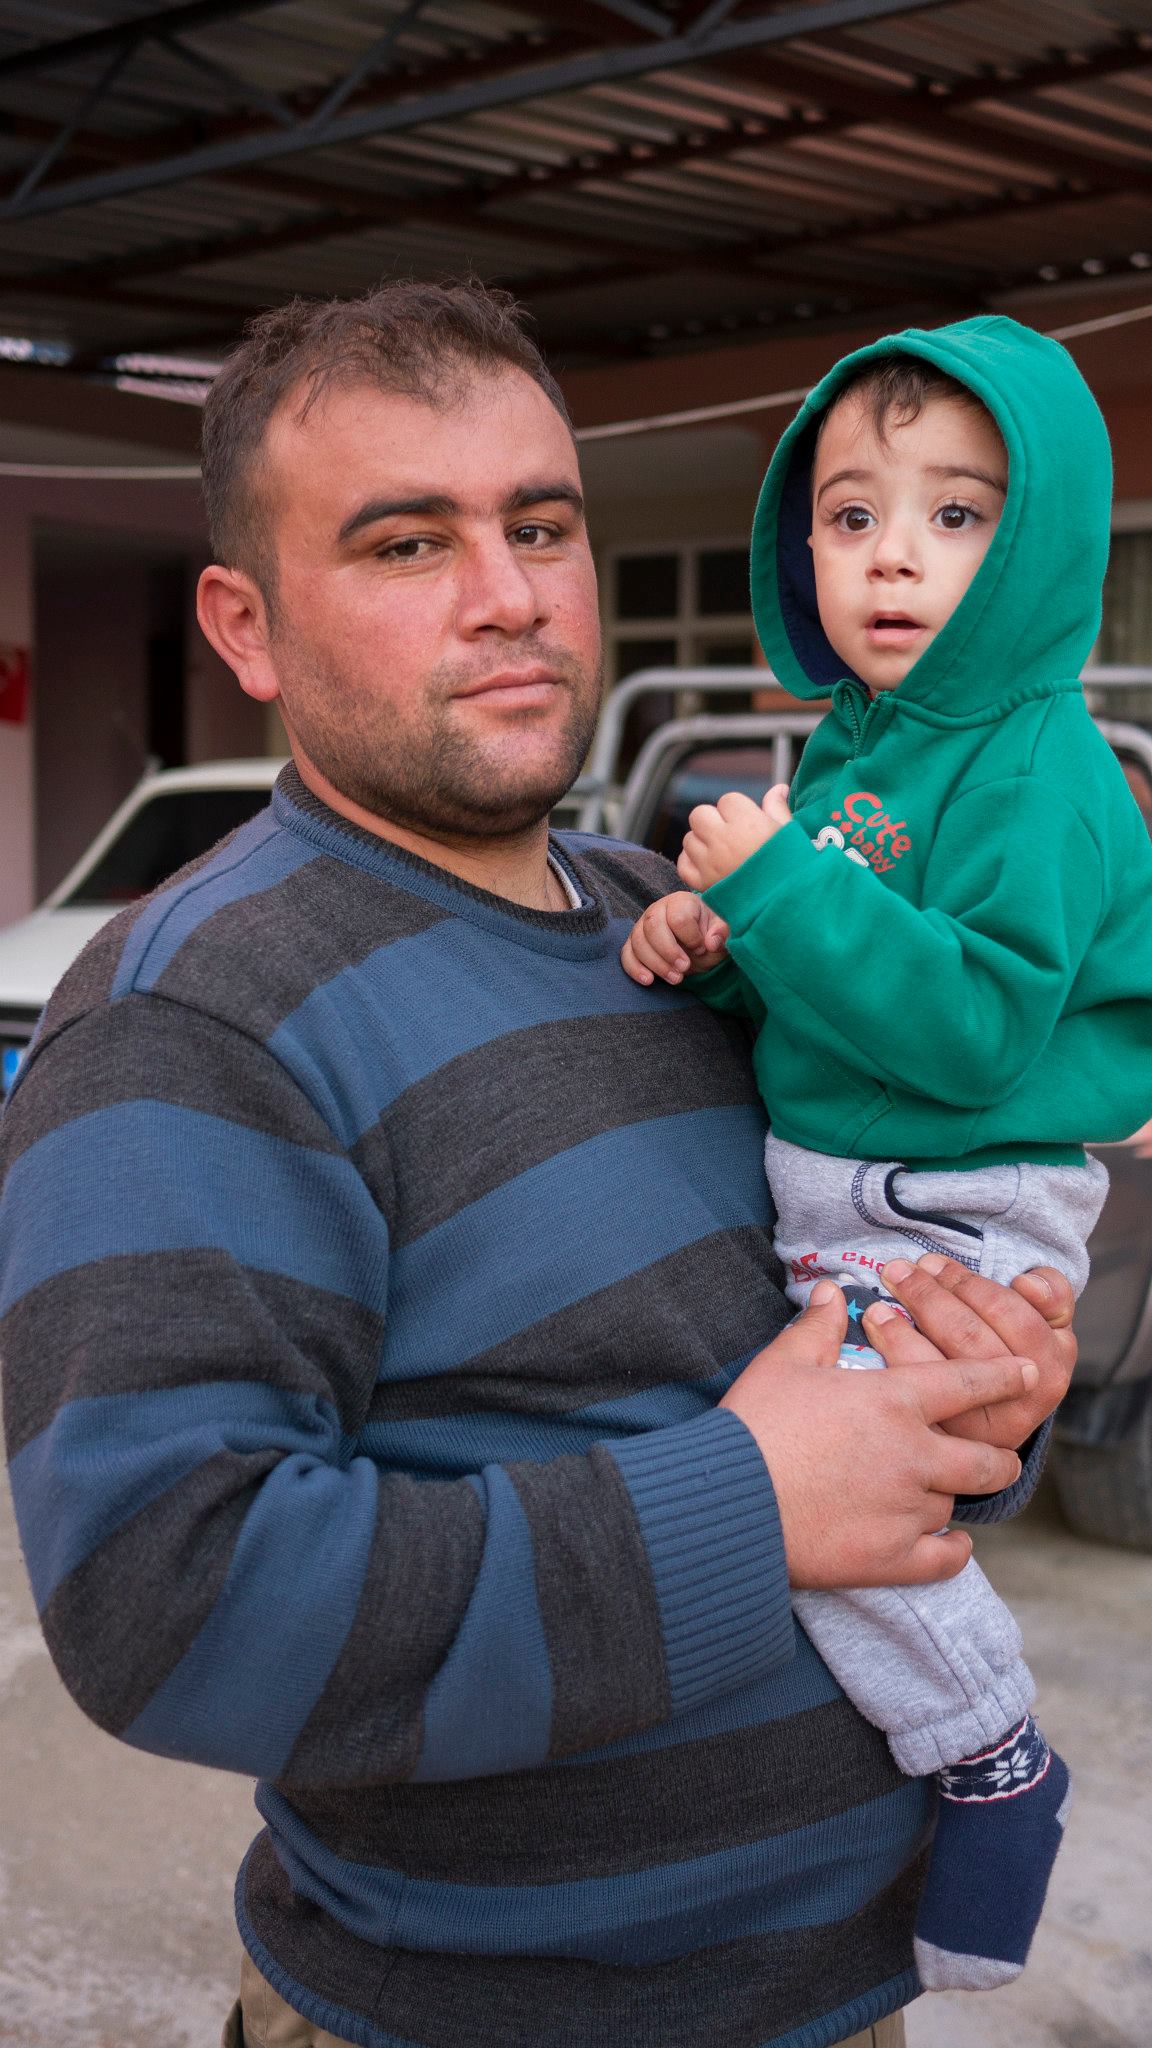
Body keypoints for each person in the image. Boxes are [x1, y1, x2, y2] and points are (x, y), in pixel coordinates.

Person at [0, 284, 1079, 2048]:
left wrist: (972, 1399)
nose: (509, 595)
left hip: (841, 1994)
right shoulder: (195, 1012)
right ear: (247, 627)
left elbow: (837, 1355)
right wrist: (753, 1501)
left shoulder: (690, 924)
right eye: (408, 542)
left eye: (543, 526)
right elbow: (165, 1603)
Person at [622, 315, 1152, 1993]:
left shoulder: (1043, 770)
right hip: (857, 1194)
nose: (893, 557)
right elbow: (841, 986)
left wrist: (779, 885)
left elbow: (974, 1025)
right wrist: (722, 943)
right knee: (787, 1475)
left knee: (833, 1498)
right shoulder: (860, 746)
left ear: (1042, 540)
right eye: (850, 515)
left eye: (957, 514)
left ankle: (992, 1749)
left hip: (956, 1205)